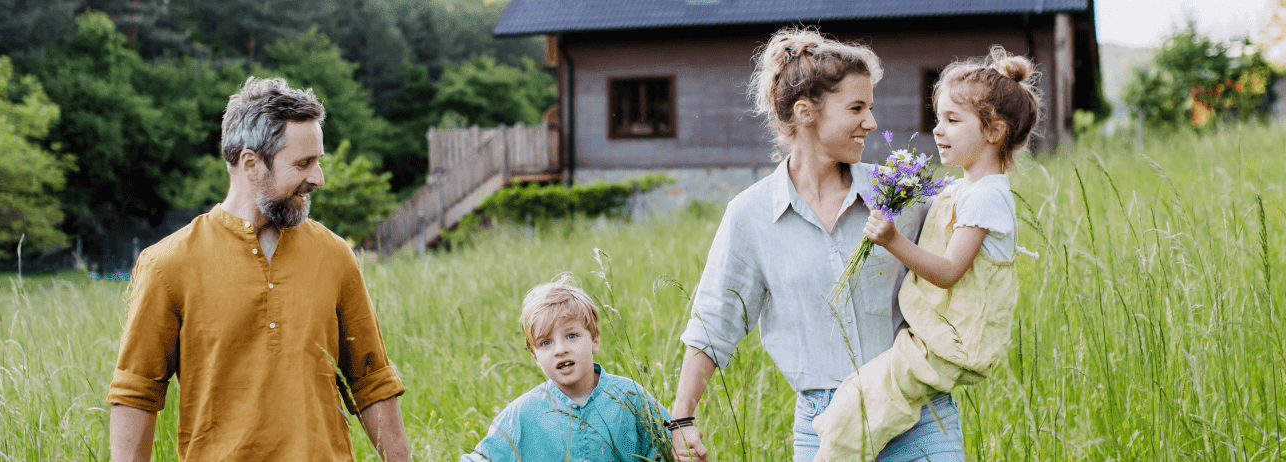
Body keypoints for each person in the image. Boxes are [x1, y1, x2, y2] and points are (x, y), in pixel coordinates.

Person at [670, 27, 959, 462]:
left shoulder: (900, 196)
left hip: (914, 410)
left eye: (871, 107)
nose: (872, 123)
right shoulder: (751, 215)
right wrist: (682, 417)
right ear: (806, 113)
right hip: (824, 424)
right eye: (857, 108)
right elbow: (715, 323)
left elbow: (960, 251)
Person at [107, 77, 411, 462]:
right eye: (303, 163)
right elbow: (137, 393)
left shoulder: (335, 255)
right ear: (251, 164)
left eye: (318, 162)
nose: (318, 178)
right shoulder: (168, 264)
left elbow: (371, 381)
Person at [811, 45, 1043, 461]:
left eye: (953, 120)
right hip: (929, 339)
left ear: (994, 131)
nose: (938, 130)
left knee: (856, 411)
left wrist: (891, 240)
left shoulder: (986, 198)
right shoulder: (965, 191)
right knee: (857, 402)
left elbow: (951, 270)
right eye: (938, 118)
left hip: (946, 343)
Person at [462, 275, 671, 462]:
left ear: (594, 340)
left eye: (572, 336)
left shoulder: (631, 397)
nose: (560, 350)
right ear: (535, 356)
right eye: (546, 343)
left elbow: (673, 446)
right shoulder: (522, 414)